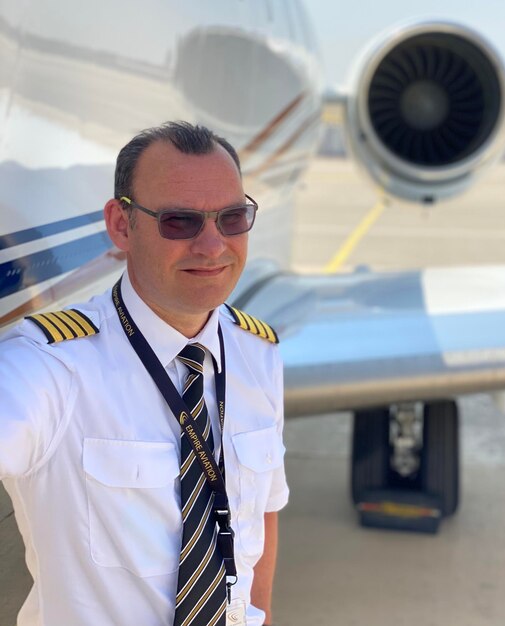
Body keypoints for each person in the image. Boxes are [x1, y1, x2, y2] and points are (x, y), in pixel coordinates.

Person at [0, 121, 289, 626]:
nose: (212, 245)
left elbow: (263, 510)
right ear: (121, 224)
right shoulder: (48, 368)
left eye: (232, 218)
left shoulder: (256, 353)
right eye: (180, 221)